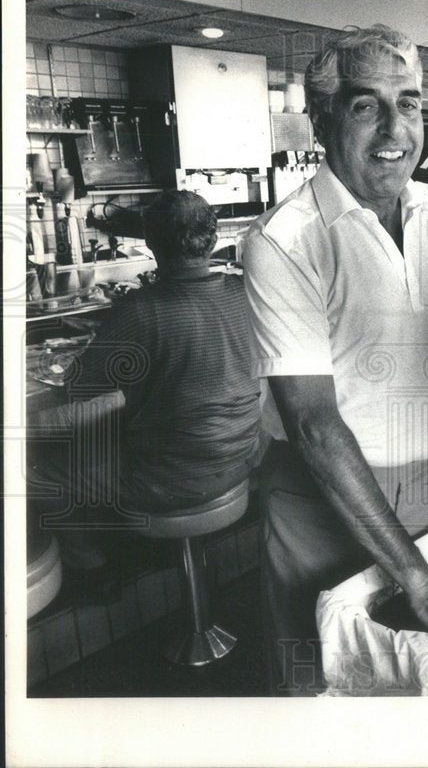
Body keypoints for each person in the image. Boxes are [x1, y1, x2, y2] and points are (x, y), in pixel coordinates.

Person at [241, 25, 428, 694]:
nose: (393, 129)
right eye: (365, 105)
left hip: (423, 489)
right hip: (322, 500)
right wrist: (418, 578)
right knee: (320, 680)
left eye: (408, 103)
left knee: (412, 686)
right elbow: (315, 424)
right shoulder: (285, 240)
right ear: (321, 119)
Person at [28, 190, 260, 601]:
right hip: (241, 460)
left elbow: (79, 388)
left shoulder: (139, 311)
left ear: (152, 243)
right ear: (212, 238)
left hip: (168, 480)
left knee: (35, 465)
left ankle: (94, 571)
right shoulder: (245, 293)